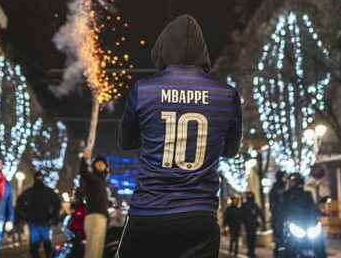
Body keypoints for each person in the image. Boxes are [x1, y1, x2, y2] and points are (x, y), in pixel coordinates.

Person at [116, 14, 243, 257]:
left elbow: (126, 142)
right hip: (199, 217)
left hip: (148, 214)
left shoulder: (144, 90)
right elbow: (230, 150)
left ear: (162, 49)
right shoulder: (226, 95)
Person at [16, 171, 61, 258]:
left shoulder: (29, 192)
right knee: (45, 242)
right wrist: (53, 217)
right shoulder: (49, 191)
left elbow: (19, 203)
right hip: (44, 220)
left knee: (35, 243)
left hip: (34, 221)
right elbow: (57, 204)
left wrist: (23, 216)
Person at [283, 173, 325, 258]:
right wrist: (282, 216)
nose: (293, 183)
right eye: (292, 181)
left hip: (309, 223)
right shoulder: (286, 195)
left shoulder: (307, 194)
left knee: (320, 242)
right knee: (286, 243)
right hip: (294, 223)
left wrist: (319, 213)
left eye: (294, 181)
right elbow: (281, 208)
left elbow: (312, 206)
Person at [80, 150, 110, 258]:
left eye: (103, 163)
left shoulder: (102, 182)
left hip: (101, 217)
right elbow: (83, 172)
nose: (101, 164)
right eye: (98, 162)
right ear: (94, 165)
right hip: (94, 216)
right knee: (93, 249)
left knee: (98, 249)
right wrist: (84, 159)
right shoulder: (92, 178)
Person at [269, 170, 288, 257]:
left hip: (289, 216)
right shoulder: (276, 188)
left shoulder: (287, 187)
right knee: (279, 240)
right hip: (279, 217)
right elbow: (272, 204)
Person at [241, 192, 264, 258]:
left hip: (251, 225)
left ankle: (251, 251)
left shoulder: (252, 205)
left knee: (251, 238)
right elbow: (260, 213)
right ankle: (251, 251)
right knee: (251, 238)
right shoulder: (249, 205)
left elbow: (260, 213)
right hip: (249, 225)